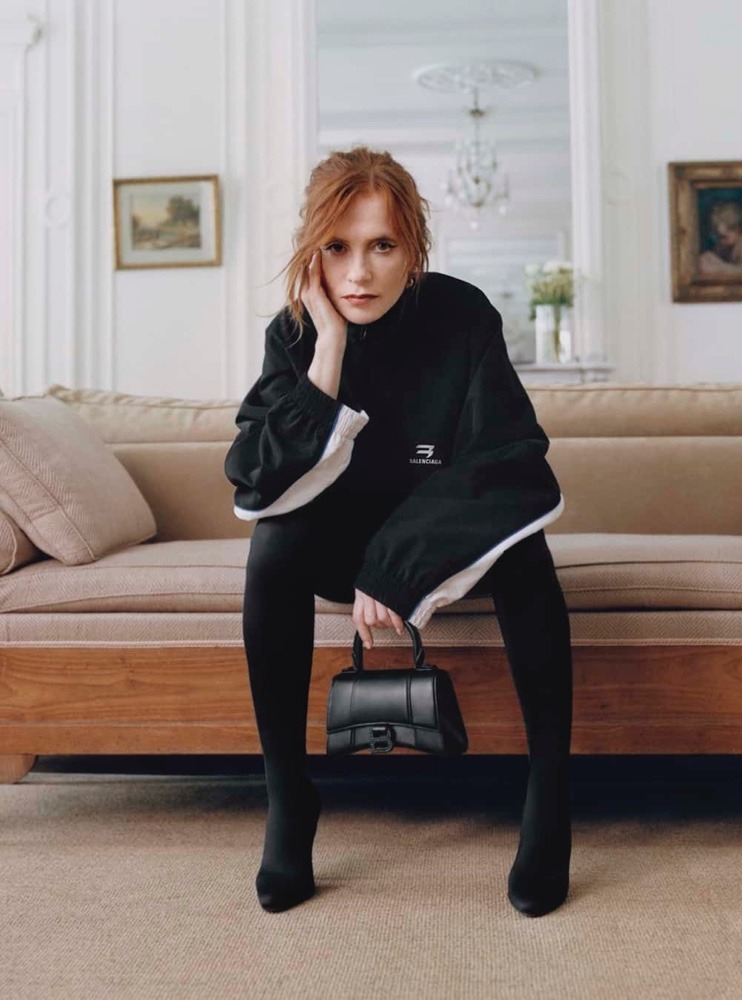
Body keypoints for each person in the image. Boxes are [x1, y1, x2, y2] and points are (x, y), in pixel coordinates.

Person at [224, 146, 573, 918]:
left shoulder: (463, 316)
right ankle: (289, 798)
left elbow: (507, 459)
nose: (359, 273)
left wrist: (396, 564)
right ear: (312, 253)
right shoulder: (295, 333)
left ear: (413, 248)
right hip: (337, 546)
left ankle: (549, 798)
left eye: (381, 245)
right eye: (337, 248)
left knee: (527, 548)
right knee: (272, 544)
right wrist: (327, 350)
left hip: (440, 539)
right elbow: (256, 476)